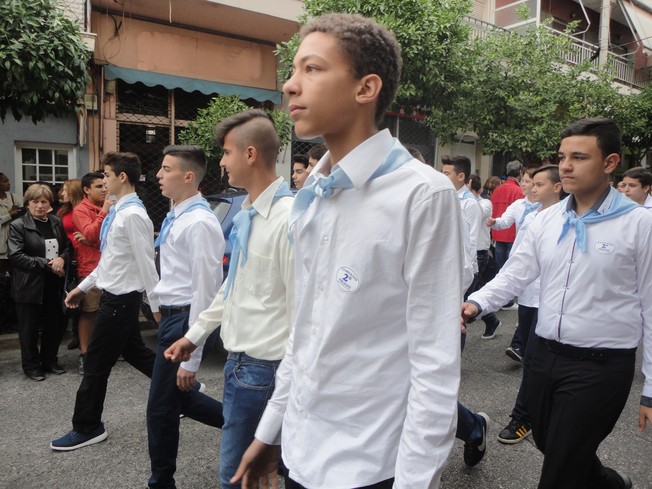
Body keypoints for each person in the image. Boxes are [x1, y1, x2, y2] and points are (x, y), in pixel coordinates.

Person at [230, 13, 463, 489]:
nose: (290, 85)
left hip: (370, 463)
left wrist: (415, 482)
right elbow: (305, 332)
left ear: (366, 88)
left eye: (312, 69)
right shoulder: (314, 195)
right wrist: (272, 430)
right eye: (293, 70)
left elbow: (435, 362)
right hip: (302, 451)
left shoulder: (421, 195)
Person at [463, 118, 652, 489]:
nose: (565, 165)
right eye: (563, 156)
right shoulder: (546, 220)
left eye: (579, 157)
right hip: (544, 355)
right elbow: (514, 275)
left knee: (561, 466)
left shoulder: (639, 225)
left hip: (600, 365)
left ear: (610, 163)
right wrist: (475, 304)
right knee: (551, 443)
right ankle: (611, 484)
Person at [164, 110, 294, 489]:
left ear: (250, 154)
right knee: (252, 474)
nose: (221, 162)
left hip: (265, 368)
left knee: (235, 476)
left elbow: (304, 310)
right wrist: (195, 335)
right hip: (241, 364)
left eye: (226, 152)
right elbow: (232, 285)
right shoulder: (248, 214)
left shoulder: (288, 218)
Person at [50, 152, 161, 451]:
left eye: (107, 176)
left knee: (96, 365)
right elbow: (110, 262)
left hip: (121, 302)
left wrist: (156, 307)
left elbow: (146, 264)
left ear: (122, 177)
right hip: (115, 298)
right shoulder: (118, 212)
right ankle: (184, 391)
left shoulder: (132, 215)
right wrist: (82, 287)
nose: (103, 182)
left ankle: (88, 427)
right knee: (138, 354)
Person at [147, 145, 225, 489]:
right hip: (172, 318)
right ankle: (260, 437)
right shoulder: (177, 215)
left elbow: (206, 292)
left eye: (166, 169)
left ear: (189, 176)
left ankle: (161, 482)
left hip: (184, 322)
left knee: (161, 409)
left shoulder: (199, 223)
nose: (158, 175)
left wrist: (191, 358)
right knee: (183, 399)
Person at [496, 164, 562, 445]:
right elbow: (518, 260)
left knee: (534, 359)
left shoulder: (569, 219)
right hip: (527, 295)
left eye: (538, 184)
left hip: (550, 299)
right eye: (530, 183)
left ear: (557, 187)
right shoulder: (532, 215)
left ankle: (522, 417)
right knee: (531, 359)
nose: (531, 189)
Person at [8, 183, 71, 381]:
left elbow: (67, 247)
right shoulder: (18, 225)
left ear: (50, 203)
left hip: (54, 283)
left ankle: (50, 361)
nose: (40, 206)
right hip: (29, 285)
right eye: (35, 201)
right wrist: (47, 264)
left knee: (54, 325)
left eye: (44, 201)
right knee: (29, 329)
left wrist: (62, 258)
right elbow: (16, 256)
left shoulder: (56, 222)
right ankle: (31, 366)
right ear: (28, 203)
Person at [442, 156, 501, 341]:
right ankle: (491, 320)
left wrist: (467, 270)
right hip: (452, 262)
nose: (442, 177)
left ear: (461, 176)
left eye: (446, 173)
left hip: (467, 263)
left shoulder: (469, 203)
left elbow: (472, 240)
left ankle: (457, 355)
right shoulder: (446, 196)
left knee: (458, 316)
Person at [72, 171, 110, 375]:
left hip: (111, 267)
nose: (104, 189)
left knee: (108, 311)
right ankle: (84, 355)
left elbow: (107, 238)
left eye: (105, 185)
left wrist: (92, 241)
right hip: (90, 269)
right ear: (86, 190)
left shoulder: (111, 205)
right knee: (89, 312)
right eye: (99, 186)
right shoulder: (81, 210)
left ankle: (106, 350)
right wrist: (103, 212)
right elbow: (91, 233)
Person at [489, 160, 525, 273]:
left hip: (498, 234)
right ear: (520, 172)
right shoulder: (519, 191)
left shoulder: (497, 190)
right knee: (511, 270)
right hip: (512, 234)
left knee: (500, 270)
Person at [0, 173, 23, 332]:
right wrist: (9, 215)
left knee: (16, 285)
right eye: (5, 181)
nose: (8, 183)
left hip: (15, 248)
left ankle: (15, 319)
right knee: (2, 285)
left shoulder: (14, 198)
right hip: (1, 251)